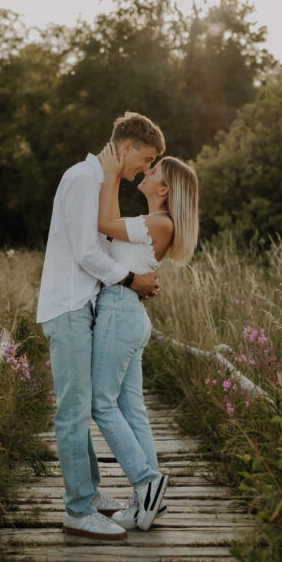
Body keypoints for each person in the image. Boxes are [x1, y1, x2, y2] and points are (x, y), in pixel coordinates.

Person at [36, 112, 164, 541]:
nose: (144, 170)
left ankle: (88, 496)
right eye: (145, 160)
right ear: (126, 147)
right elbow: (87, 253)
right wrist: (131, 280)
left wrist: (138, 271)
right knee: (74, 412)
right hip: (69, 306)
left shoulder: (97, 181)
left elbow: (106, 243)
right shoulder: (81, 179)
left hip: (83, 305)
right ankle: (76, 510)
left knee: (85, 405)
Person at [91, 140, 199, 531]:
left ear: (164, 189)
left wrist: (109, 174)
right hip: (129, 312)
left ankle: (146, 480)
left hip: (120, 313)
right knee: (131, 406)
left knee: (101, 404)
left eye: (153, 171)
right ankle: (147, 499)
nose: (146, 172)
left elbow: (103, 225)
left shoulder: (159, 222)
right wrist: (116, 179)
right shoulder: (154, 222)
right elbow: (114, 227)